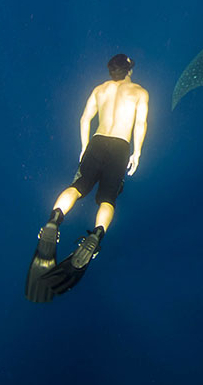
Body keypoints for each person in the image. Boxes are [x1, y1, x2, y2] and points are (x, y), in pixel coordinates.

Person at [25, 54, 149, 302]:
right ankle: (95, 236)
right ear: (128, 71)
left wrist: (84, 147)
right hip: (121, 146)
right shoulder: (139, 92)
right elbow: (140, 123)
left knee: (77, 187)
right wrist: (137, 152)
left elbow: (85, 118)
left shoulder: (99, 90)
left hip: (97, 142)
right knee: (107, 199)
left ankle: (54, 220)